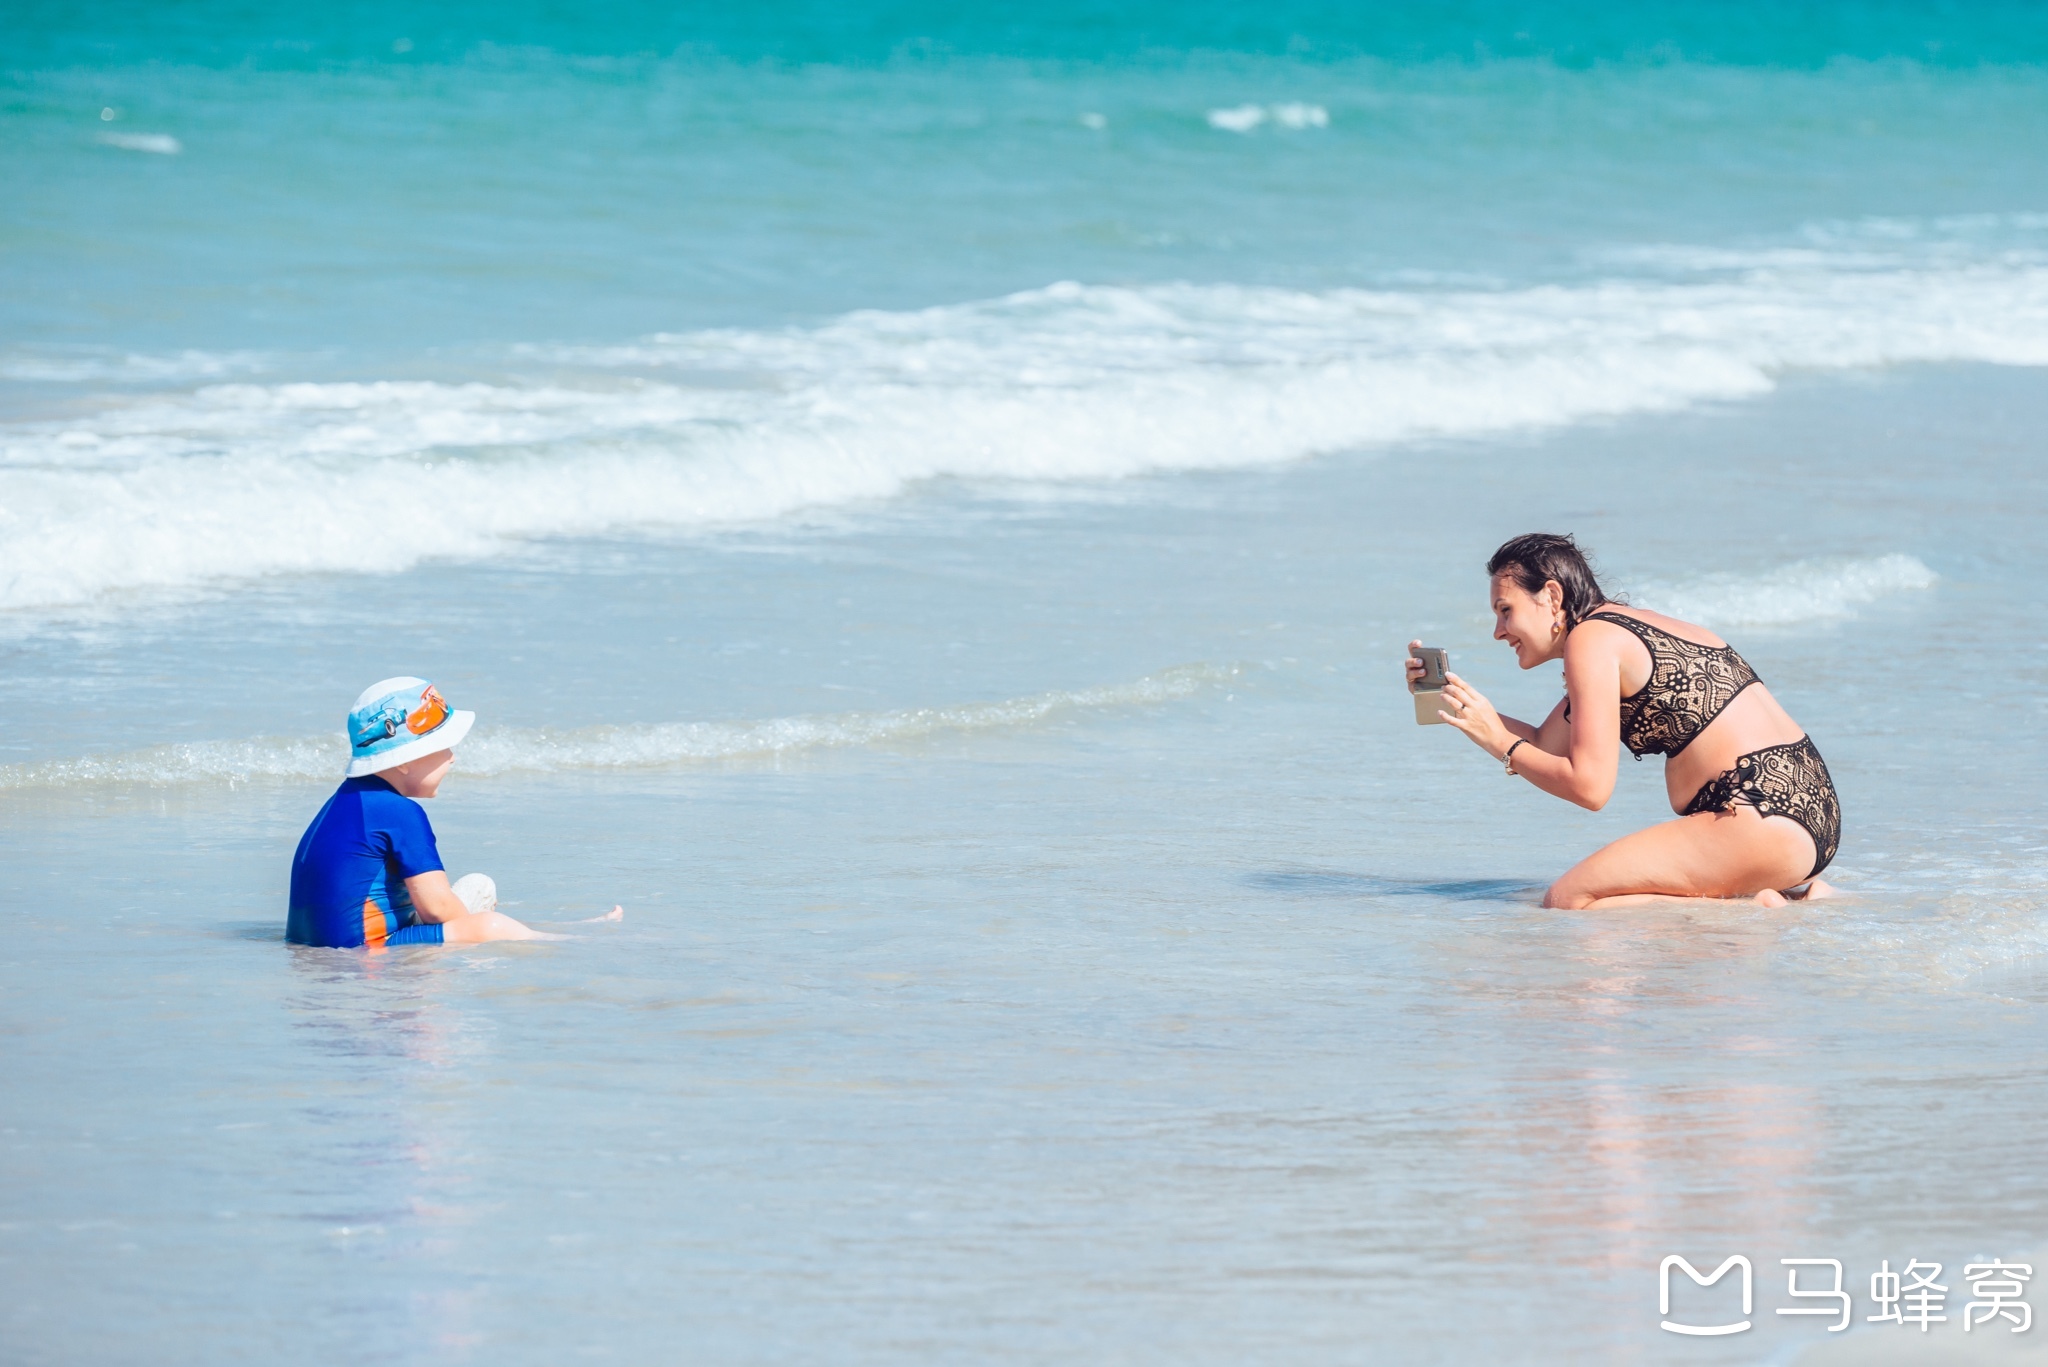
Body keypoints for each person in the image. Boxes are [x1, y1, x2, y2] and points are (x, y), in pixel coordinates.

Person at [1409, 534, 1841, 909]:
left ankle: (1757, 908)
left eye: (1506, 610)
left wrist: (1502, 744)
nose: (1498, 631)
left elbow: (1590, 788)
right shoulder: (1622, 629)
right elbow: (1547, 743)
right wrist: (1456, 702)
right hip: (1809, 809)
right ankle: (1788, 896)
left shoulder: (1590, 641)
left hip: (1759, 817)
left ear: (1552, 597)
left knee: (1568, 899)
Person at [287, 677, 543, 946]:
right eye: (444, 746)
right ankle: (563, 940)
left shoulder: (343, 801)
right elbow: (437, 909)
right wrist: (473, 930)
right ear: (405, 761)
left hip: (315, 952)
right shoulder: (399, 812)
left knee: (480, 886)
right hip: (369, 953)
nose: (452, 757)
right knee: (492, 926)